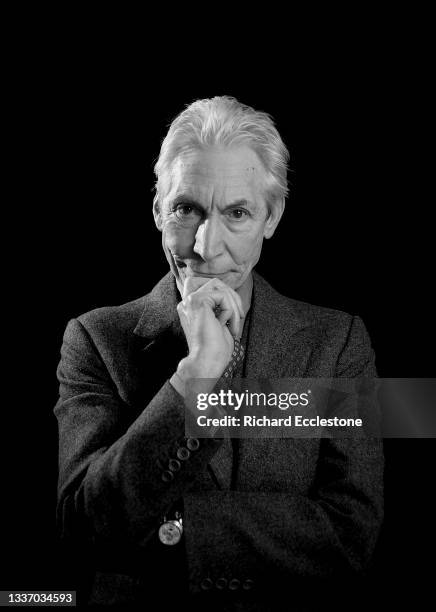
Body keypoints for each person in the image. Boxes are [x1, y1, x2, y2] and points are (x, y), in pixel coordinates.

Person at [54, 96, 383, 610]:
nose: (206, 247)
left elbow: (350, 535)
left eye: (237, 213)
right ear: (158, 209)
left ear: (271, 217)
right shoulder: (94, 339)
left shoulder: (337, 343)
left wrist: (173, 531)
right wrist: (195, 376)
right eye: (187, 209)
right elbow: (82, 528)